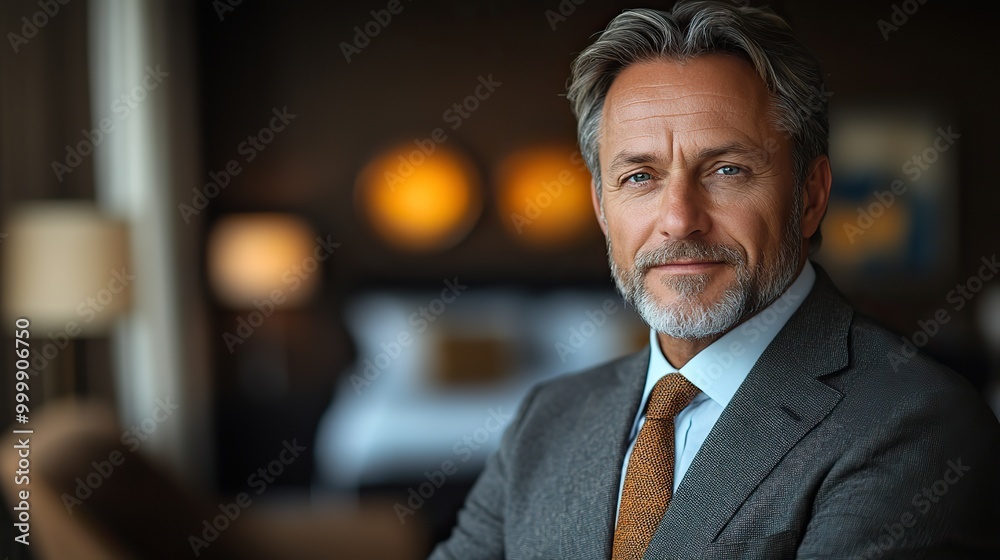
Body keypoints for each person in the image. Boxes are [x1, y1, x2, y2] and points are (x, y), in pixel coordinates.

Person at [429, 1, 1000, 559]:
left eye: (727, 170)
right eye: (639, 176)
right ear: (603, 209)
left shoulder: (917, 422)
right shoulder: (547, 419)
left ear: (810, 195)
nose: (679, 219)